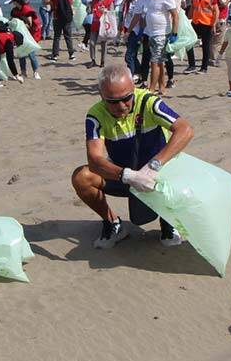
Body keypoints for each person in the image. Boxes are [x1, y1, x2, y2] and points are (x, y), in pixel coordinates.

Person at [71, 64, 193, 248]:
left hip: (157, 175)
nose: (121, 106)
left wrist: (153, 166)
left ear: (134, 88)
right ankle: (113, 223)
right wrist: (129, 176)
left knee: (181, 174)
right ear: (101, 95)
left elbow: (185, 130)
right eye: (112, 101)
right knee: (81, 178)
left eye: (126, 98)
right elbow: (95, 161)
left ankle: (168, 222)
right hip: (124, 176)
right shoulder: (96, 115)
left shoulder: (148, 102)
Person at [132, 0, 180, 96]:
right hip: (150, 33)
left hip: (161, 34)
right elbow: (141, 13)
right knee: (159, 62)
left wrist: (174, 33)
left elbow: (175, 15)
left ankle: (152, 89)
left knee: (154, 62)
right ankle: (162, 87)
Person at [186, 0, 220, 74]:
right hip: (196, 21)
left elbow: (216, 11)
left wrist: (214, 25)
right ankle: (192, 65)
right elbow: (193, 7)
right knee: (189, 42)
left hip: (207, 23)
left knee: (206, 46)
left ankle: (204, 68)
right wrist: (188, 19)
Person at [7, 0, 43, 80]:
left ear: (15, 1)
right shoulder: (14, 11)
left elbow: (29, 24)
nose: (11, 4)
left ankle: (35, 72)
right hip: (20, 34)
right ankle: (23, 72)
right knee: (21, 53)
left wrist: (19, 25)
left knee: (31, 53)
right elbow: (11, 21)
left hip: (31, 34)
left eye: (12, 2)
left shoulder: (26, 9)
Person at [88, 0, 115, 67]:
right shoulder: (95, 0)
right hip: (95, 24)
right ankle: (93, 60)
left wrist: (105, 11)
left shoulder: (109, 0)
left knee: (103, 44)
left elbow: (112, 13)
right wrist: (89, 7)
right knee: (92, 43)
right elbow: (90, 10)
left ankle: (102, 61)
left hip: (104, 25)